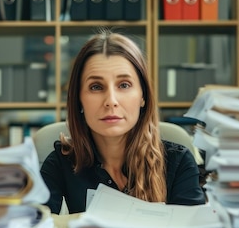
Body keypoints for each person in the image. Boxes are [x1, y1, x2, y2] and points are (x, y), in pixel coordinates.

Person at [41, 29, 206, 215]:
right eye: (96, 87)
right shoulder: (60, 163)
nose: (111, 100)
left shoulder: (178, 163)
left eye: (124, 85)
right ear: (79, 99)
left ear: (143, 96)